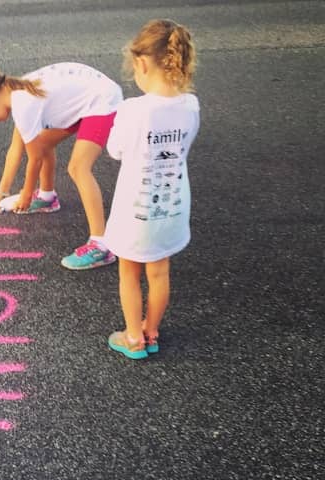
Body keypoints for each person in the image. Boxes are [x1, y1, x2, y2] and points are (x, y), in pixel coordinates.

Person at [0, 63, 123, 270]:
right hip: (85, 98)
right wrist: (2, 191)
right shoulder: (16, 91)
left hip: (102, 101)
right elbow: (15, 149)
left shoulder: (23, 103)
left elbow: (35, 158)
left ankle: (100, 245)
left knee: (78, 168)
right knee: (43, 142)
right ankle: (47, 197)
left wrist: (26, 194)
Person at [104, 19, 199, 360]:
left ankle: (133, 337)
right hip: (172, 205)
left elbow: (115, 150)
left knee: (129, 272)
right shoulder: (191, 105)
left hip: (136, 209)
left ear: (142, 63)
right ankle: (151, 330)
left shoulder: (133, 110)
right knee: (159, 272)